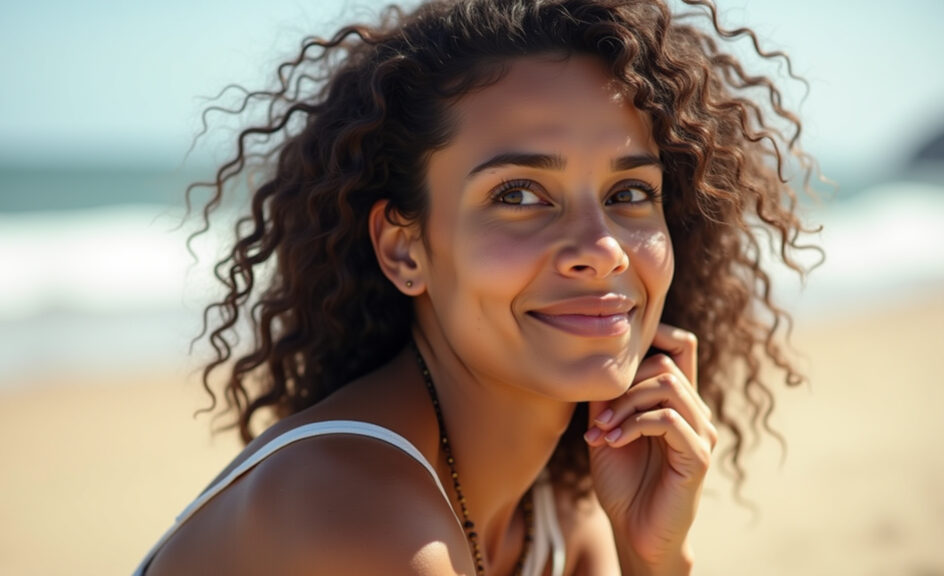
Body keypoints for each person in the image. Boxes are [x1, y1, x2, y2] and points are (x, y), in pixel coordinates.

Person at [137, 0, 818, 574]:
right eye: (519, 193)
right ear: (405, 249)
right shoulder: (362, 518)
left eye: (630, 191)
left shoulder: (556, 515)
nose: (602, 250)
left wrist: (653, 557)